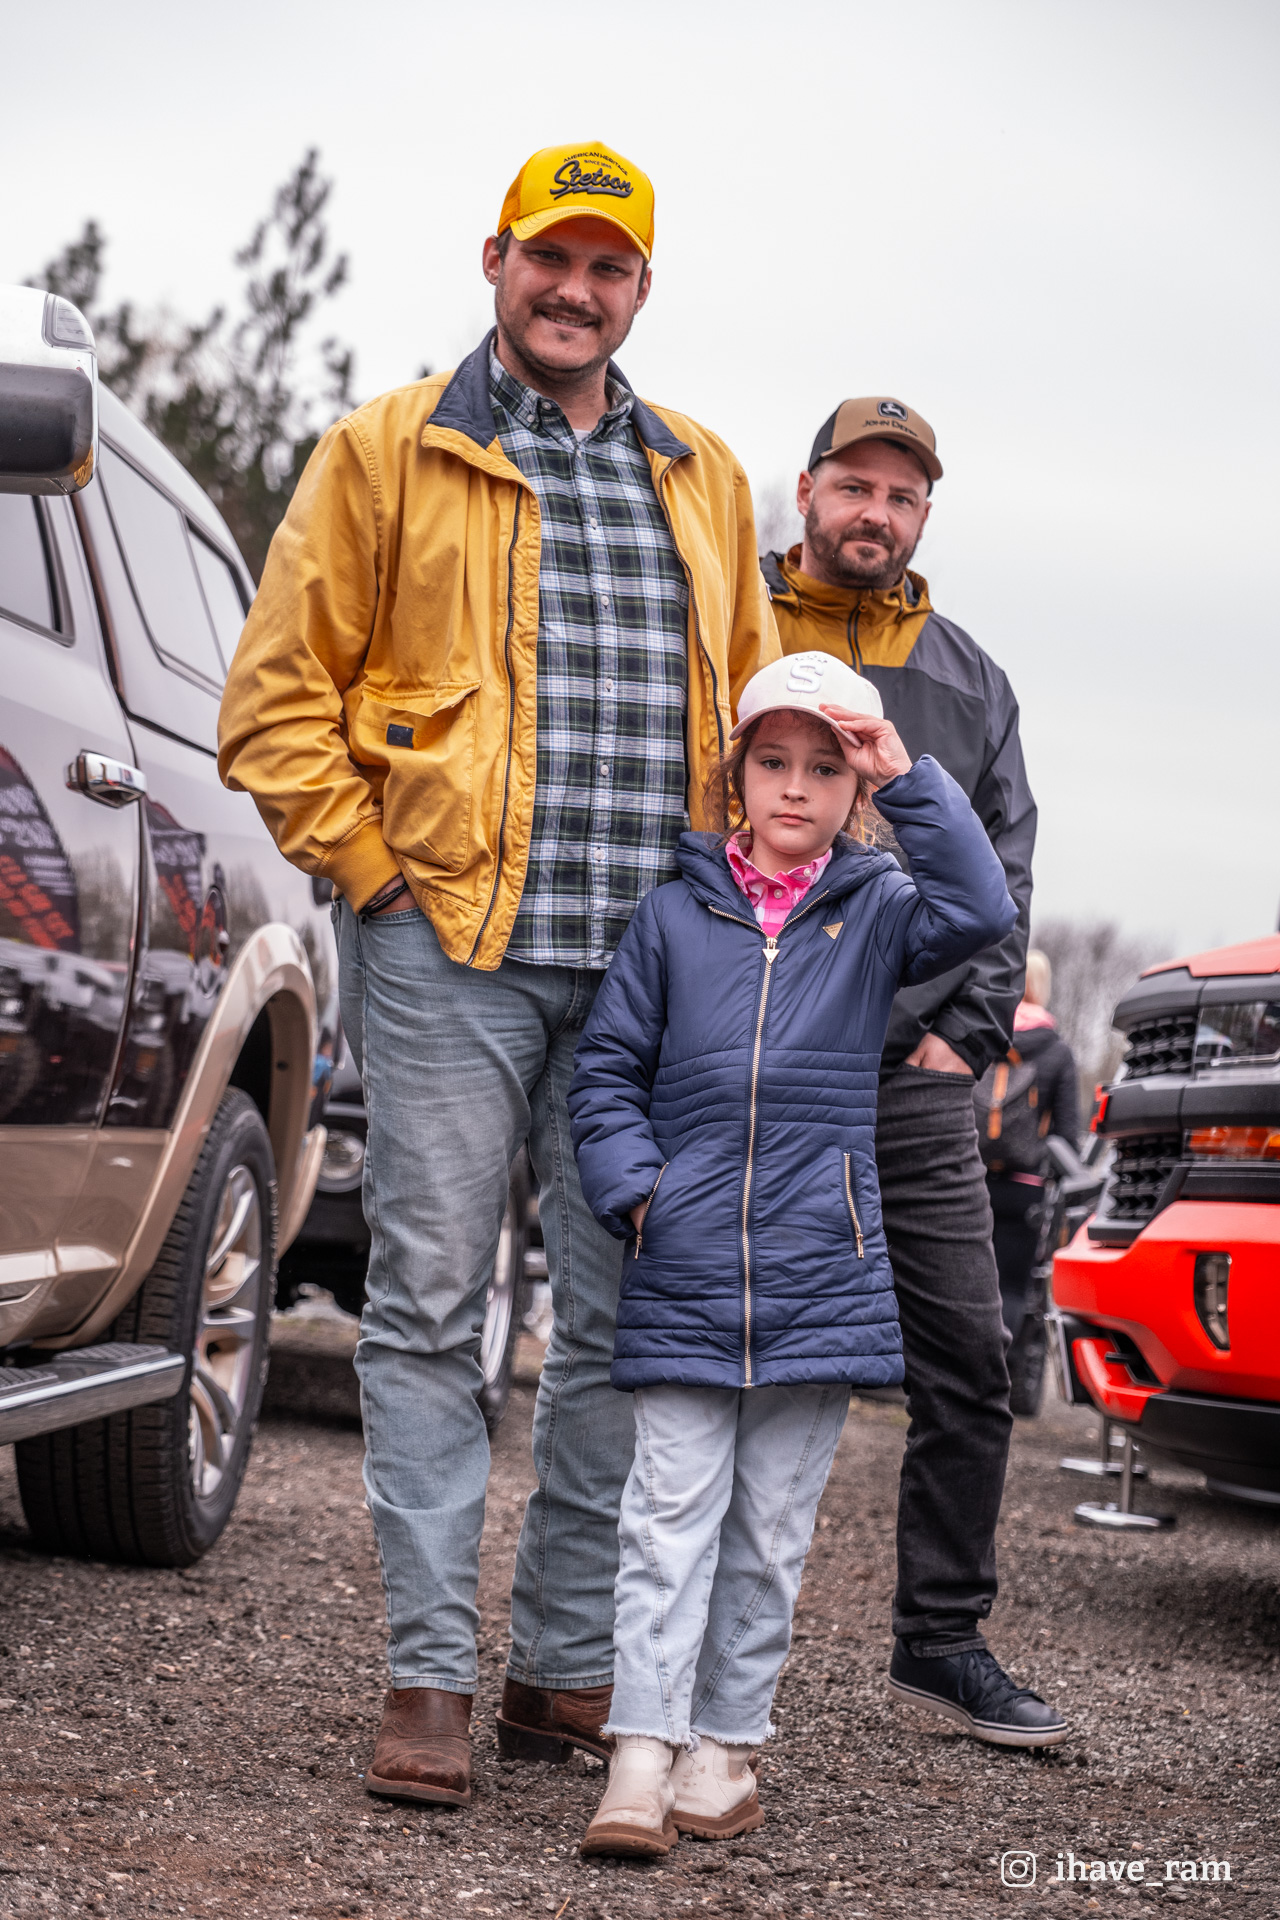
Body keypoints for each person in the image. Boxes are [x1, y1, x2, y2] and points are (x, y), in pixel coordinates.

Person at [218, 139, 778, 1805]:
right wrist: (378, 881)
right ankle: (429, 1678)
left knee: (616, 1330)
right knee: (426, 1313)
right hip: (448, 957)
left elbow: (758, 717)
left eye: (608, 267)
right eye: (552, 256)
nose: (574, 290)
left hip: (648, 983)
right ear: (496, 259)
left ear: (642, 291)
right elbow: (274, 703)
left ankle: (560, 1668)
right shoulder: (388, 449)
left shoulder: (706, 476)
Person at [565, 653, 1024, 1858]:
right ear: (737, 772)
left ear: (853, 788)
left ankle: (723, 1750)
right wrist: (637, 1190)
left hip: (823, 1268)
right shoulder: (671, 915)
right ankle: (639, 1754)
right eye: (771, 761)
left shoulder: (878, 909)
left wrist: (904, 772)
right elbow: (605, 1070)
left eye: (824, 769)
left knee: (768, 1530)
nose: (794, 787)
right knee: (666, 1519)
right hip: (683, 1265)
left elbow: (982, 910)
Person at [761, 400, 1066, 1745]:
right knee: (728, 1352)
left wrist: (968, 1035)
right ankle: (658, 1649)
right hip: (749, 1058)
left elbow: (1006, 870)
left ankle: (941, 1638)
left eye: (900, 495)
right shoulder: (733, 618)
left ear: (924, 514)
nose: (874, 513)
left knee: (968, 1356)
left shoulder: (969, 681)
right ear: (807, 490)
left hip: (911, 1070)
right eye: (854, 485)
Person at [987, 949, 1080, 1345]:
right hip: (1025, 1189)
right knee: (1010, 1289)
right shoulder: (1057, 1052)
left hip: (967, 1179)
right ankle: (1000, 1372)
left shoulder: (982, 1035)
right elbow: (1067, 1136)